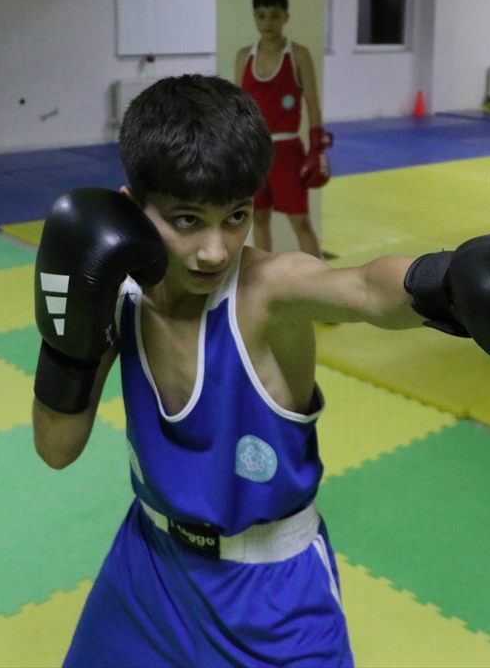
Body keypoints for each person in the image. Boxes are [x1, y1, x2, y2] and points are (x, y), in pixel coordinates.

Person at [31, 75, 422, 665]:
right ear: (132, 207)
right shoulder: (118, 292)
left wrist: (463, 283)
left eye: (236, 217)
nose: (215, 250)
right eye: (186, 220)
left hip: (273, 596)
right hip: (149, 565)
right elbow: (56, 448)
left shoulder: (268, 291)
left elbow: (370, 288)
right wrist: (67, 343)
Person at [235, 0, 330, 259]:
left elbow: (312, 103)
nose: (267, 23)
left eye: (274, 16)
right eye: (261, 15)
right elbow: (239, 107)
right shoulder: (244, 56)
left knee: (300, 221)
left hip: (287, 150)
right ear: (254, 17)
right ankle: (266, 277)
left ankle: (319, 278)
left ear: (285, 17)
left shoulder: (298, 54)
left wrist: (317, 147)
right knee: (259, 219)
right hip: (255, 151)